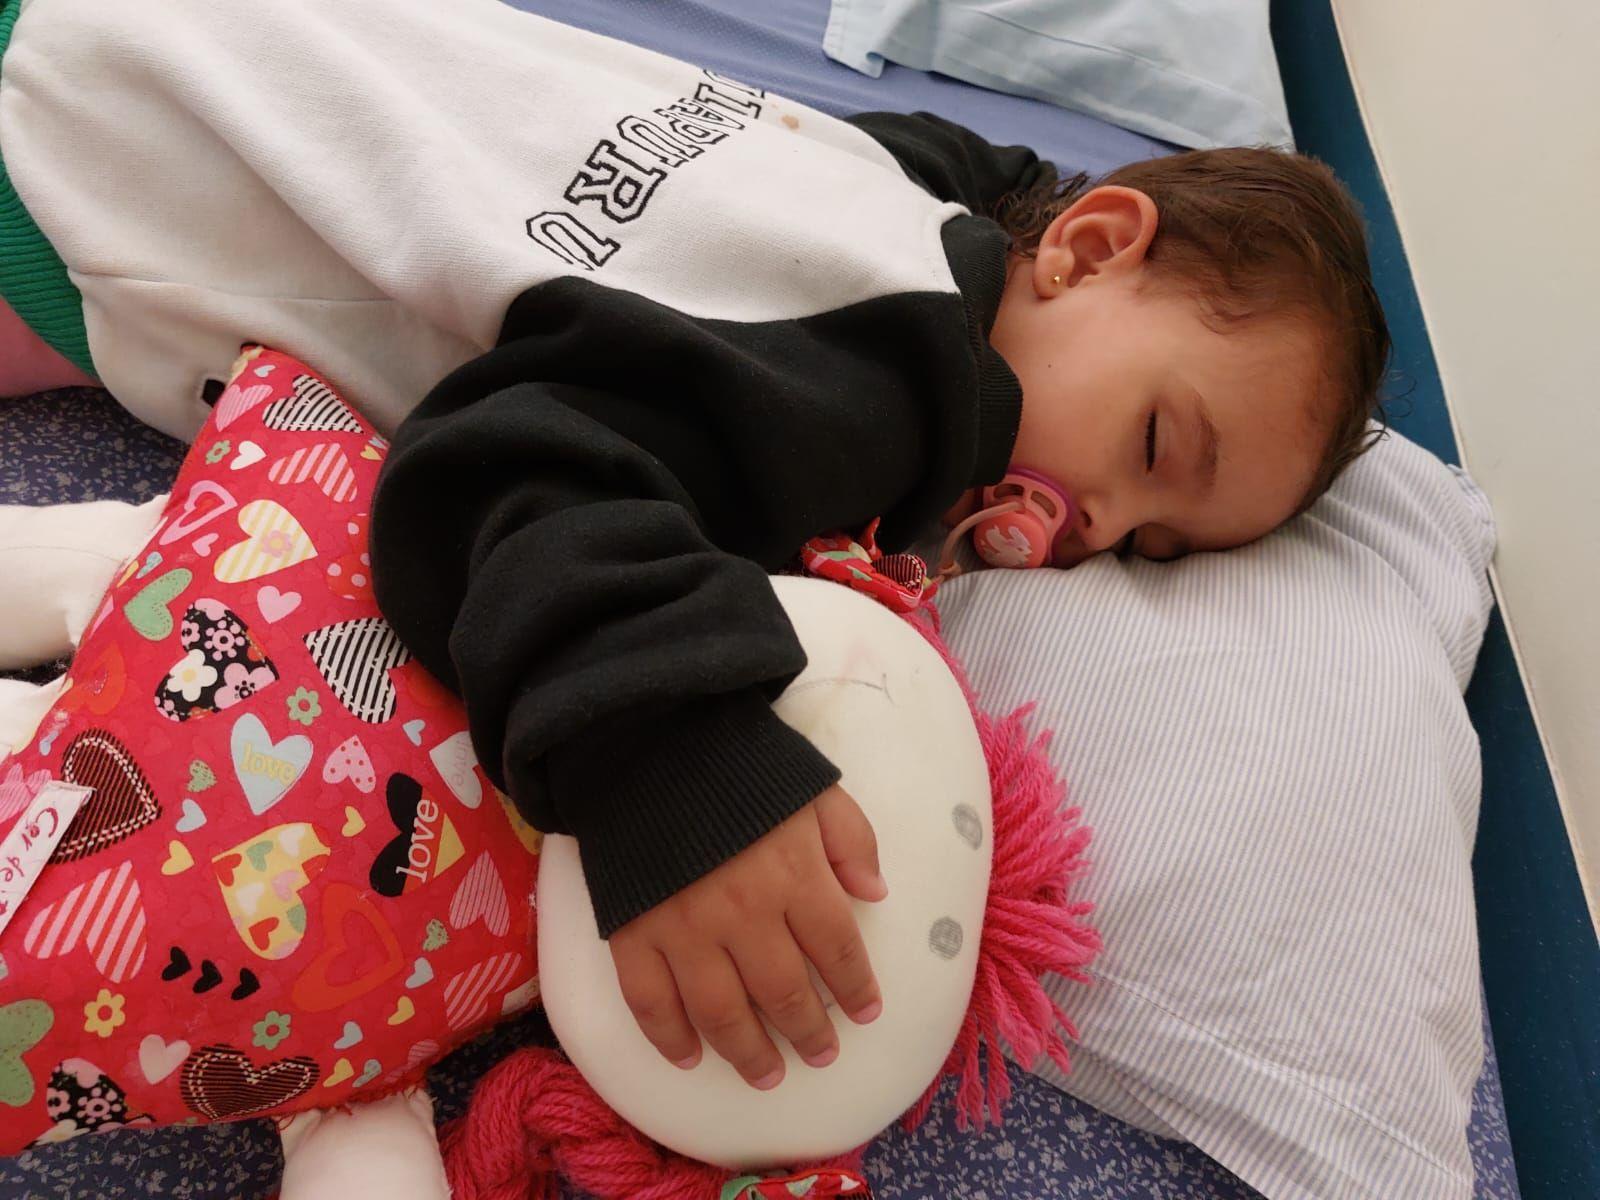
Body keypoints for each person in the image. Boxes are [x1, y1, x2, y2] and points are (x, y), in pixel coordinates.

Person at [0, 0, 1387, 1096]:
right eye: (1154, 445)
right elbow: (505, 466)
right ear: (1086, 248)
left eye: (1153, 546)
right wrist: (674, 761)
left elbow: (971, 163)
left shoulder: (918, 210)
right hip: (85, 166)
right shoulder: (886, 399)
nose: (1098, 528)